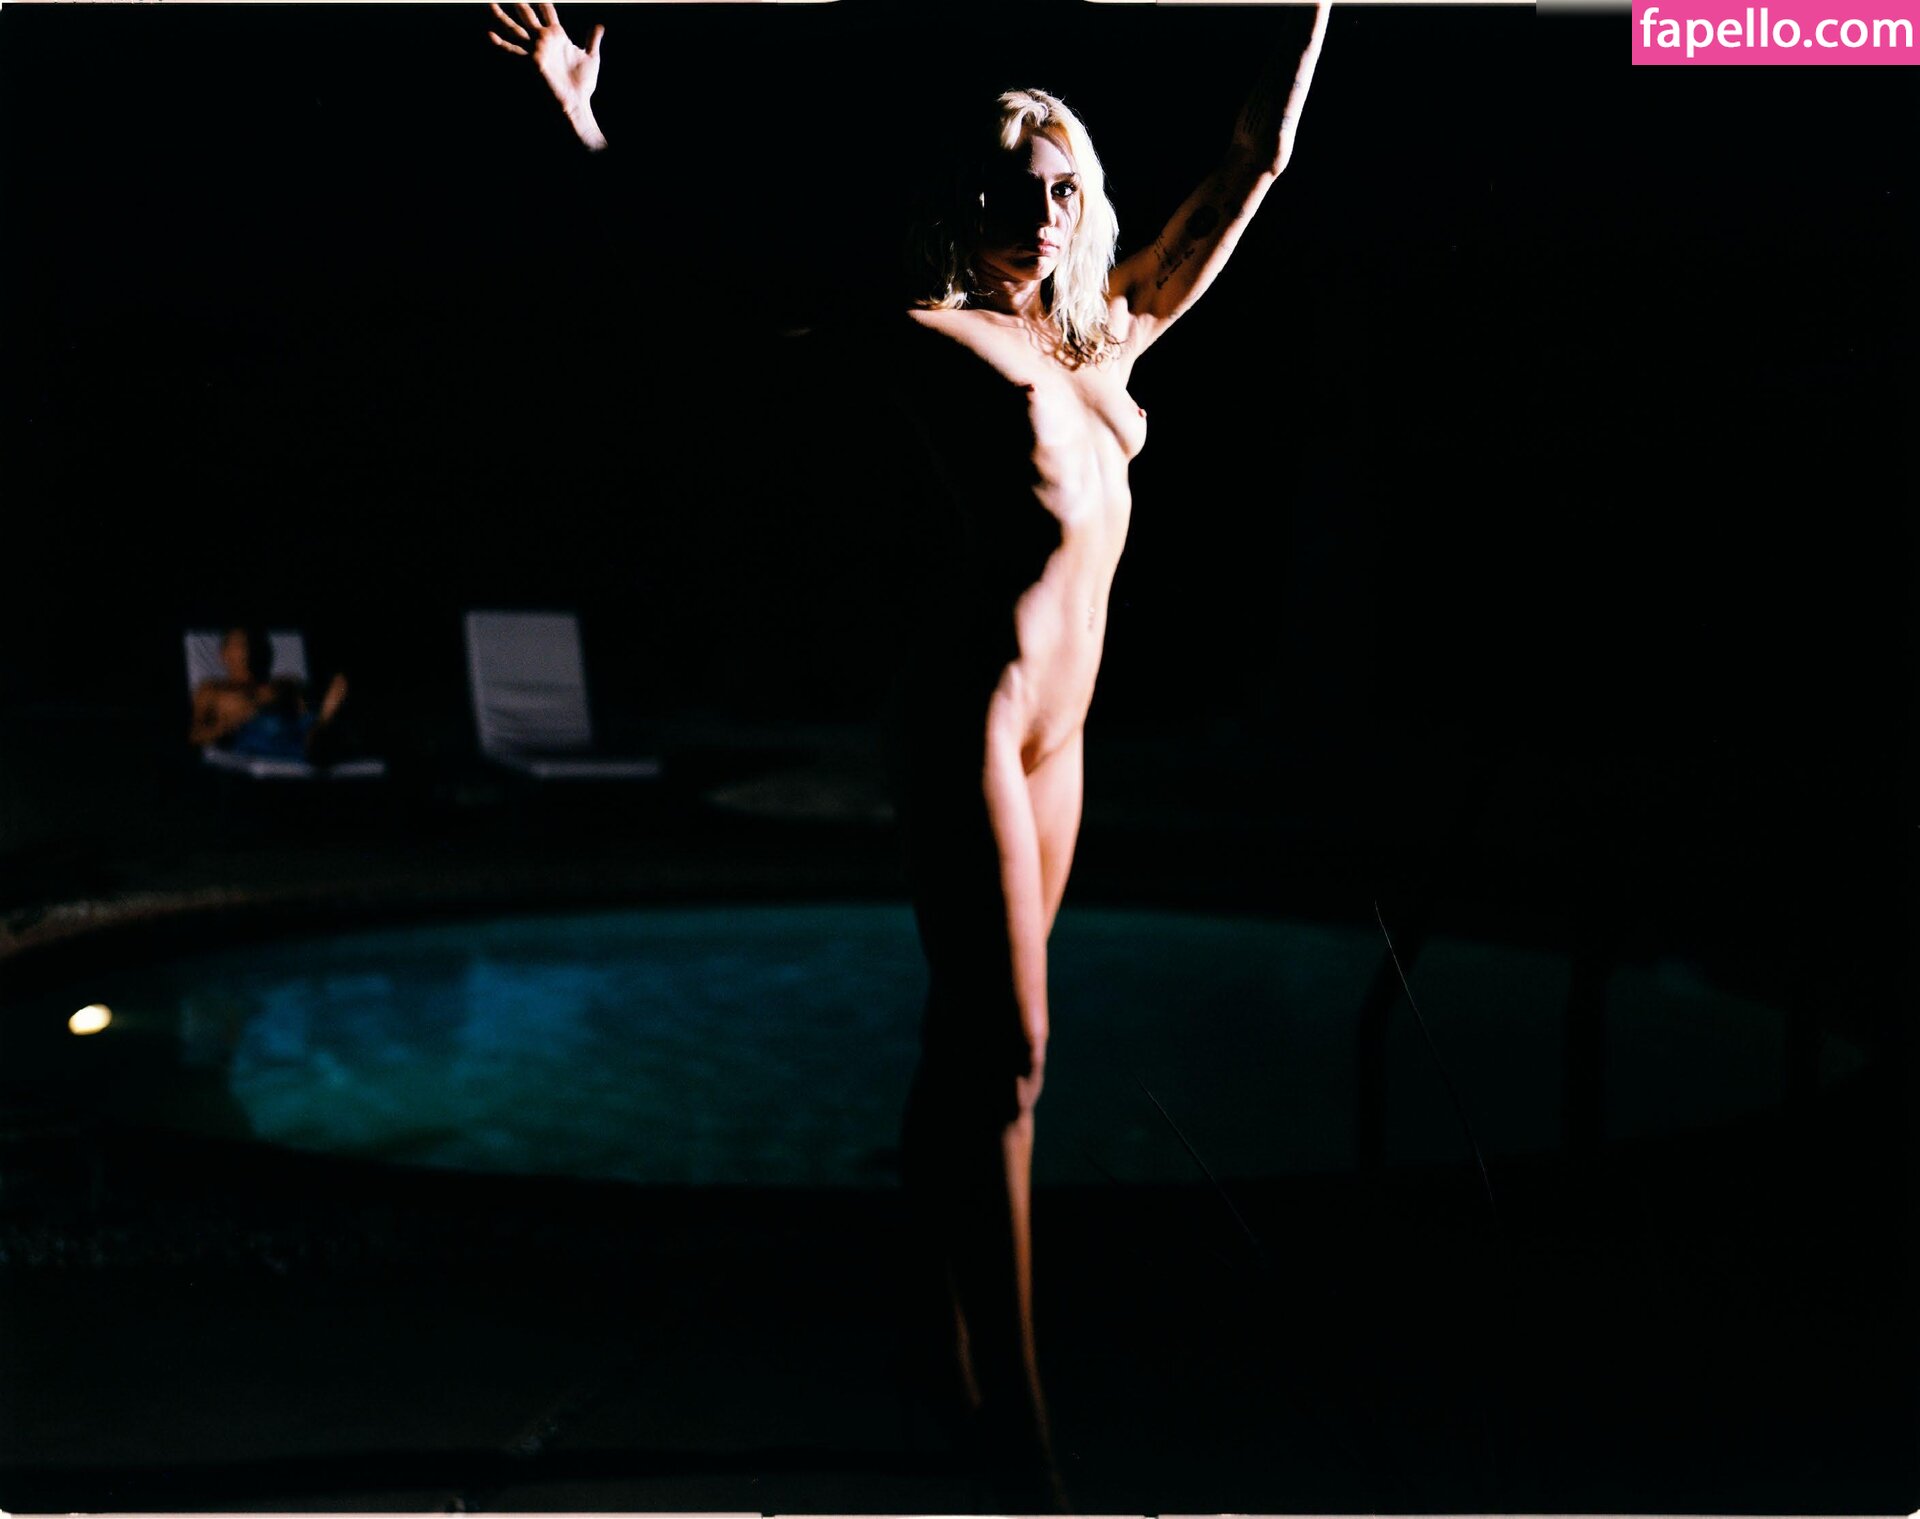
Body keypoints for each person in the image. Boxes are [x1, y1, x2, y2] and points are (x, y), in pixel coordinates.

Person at [486, 2, 1332, 1497]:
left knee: (979, 1056)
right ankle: (1019, 1441)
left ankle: (940, 1358)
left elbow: (1255, 160)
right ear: (966, 194)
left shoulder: (1110, 333)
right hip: (974, 717)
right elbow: (692, 293)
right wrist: (585, 122)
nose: (1043, 207)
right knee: (1010, 1055)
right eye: (1016, 181)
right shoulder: (925, 330)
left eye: (1063, 185)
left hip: (1063, 739)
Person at [188, 626, 351, 764]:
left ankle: (324, 728)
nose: (248, 651)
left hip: (295, 728)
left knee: (311, 721)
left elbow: (303, 714)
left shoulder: (283, 684)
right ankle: (322, 732)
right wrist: (229, 725)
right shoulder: (212, 690)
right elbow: (196, 736)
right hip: (252, 734)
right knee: (270, 727)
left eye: (253, 645)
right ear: (223, 654)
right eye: (240, 645)